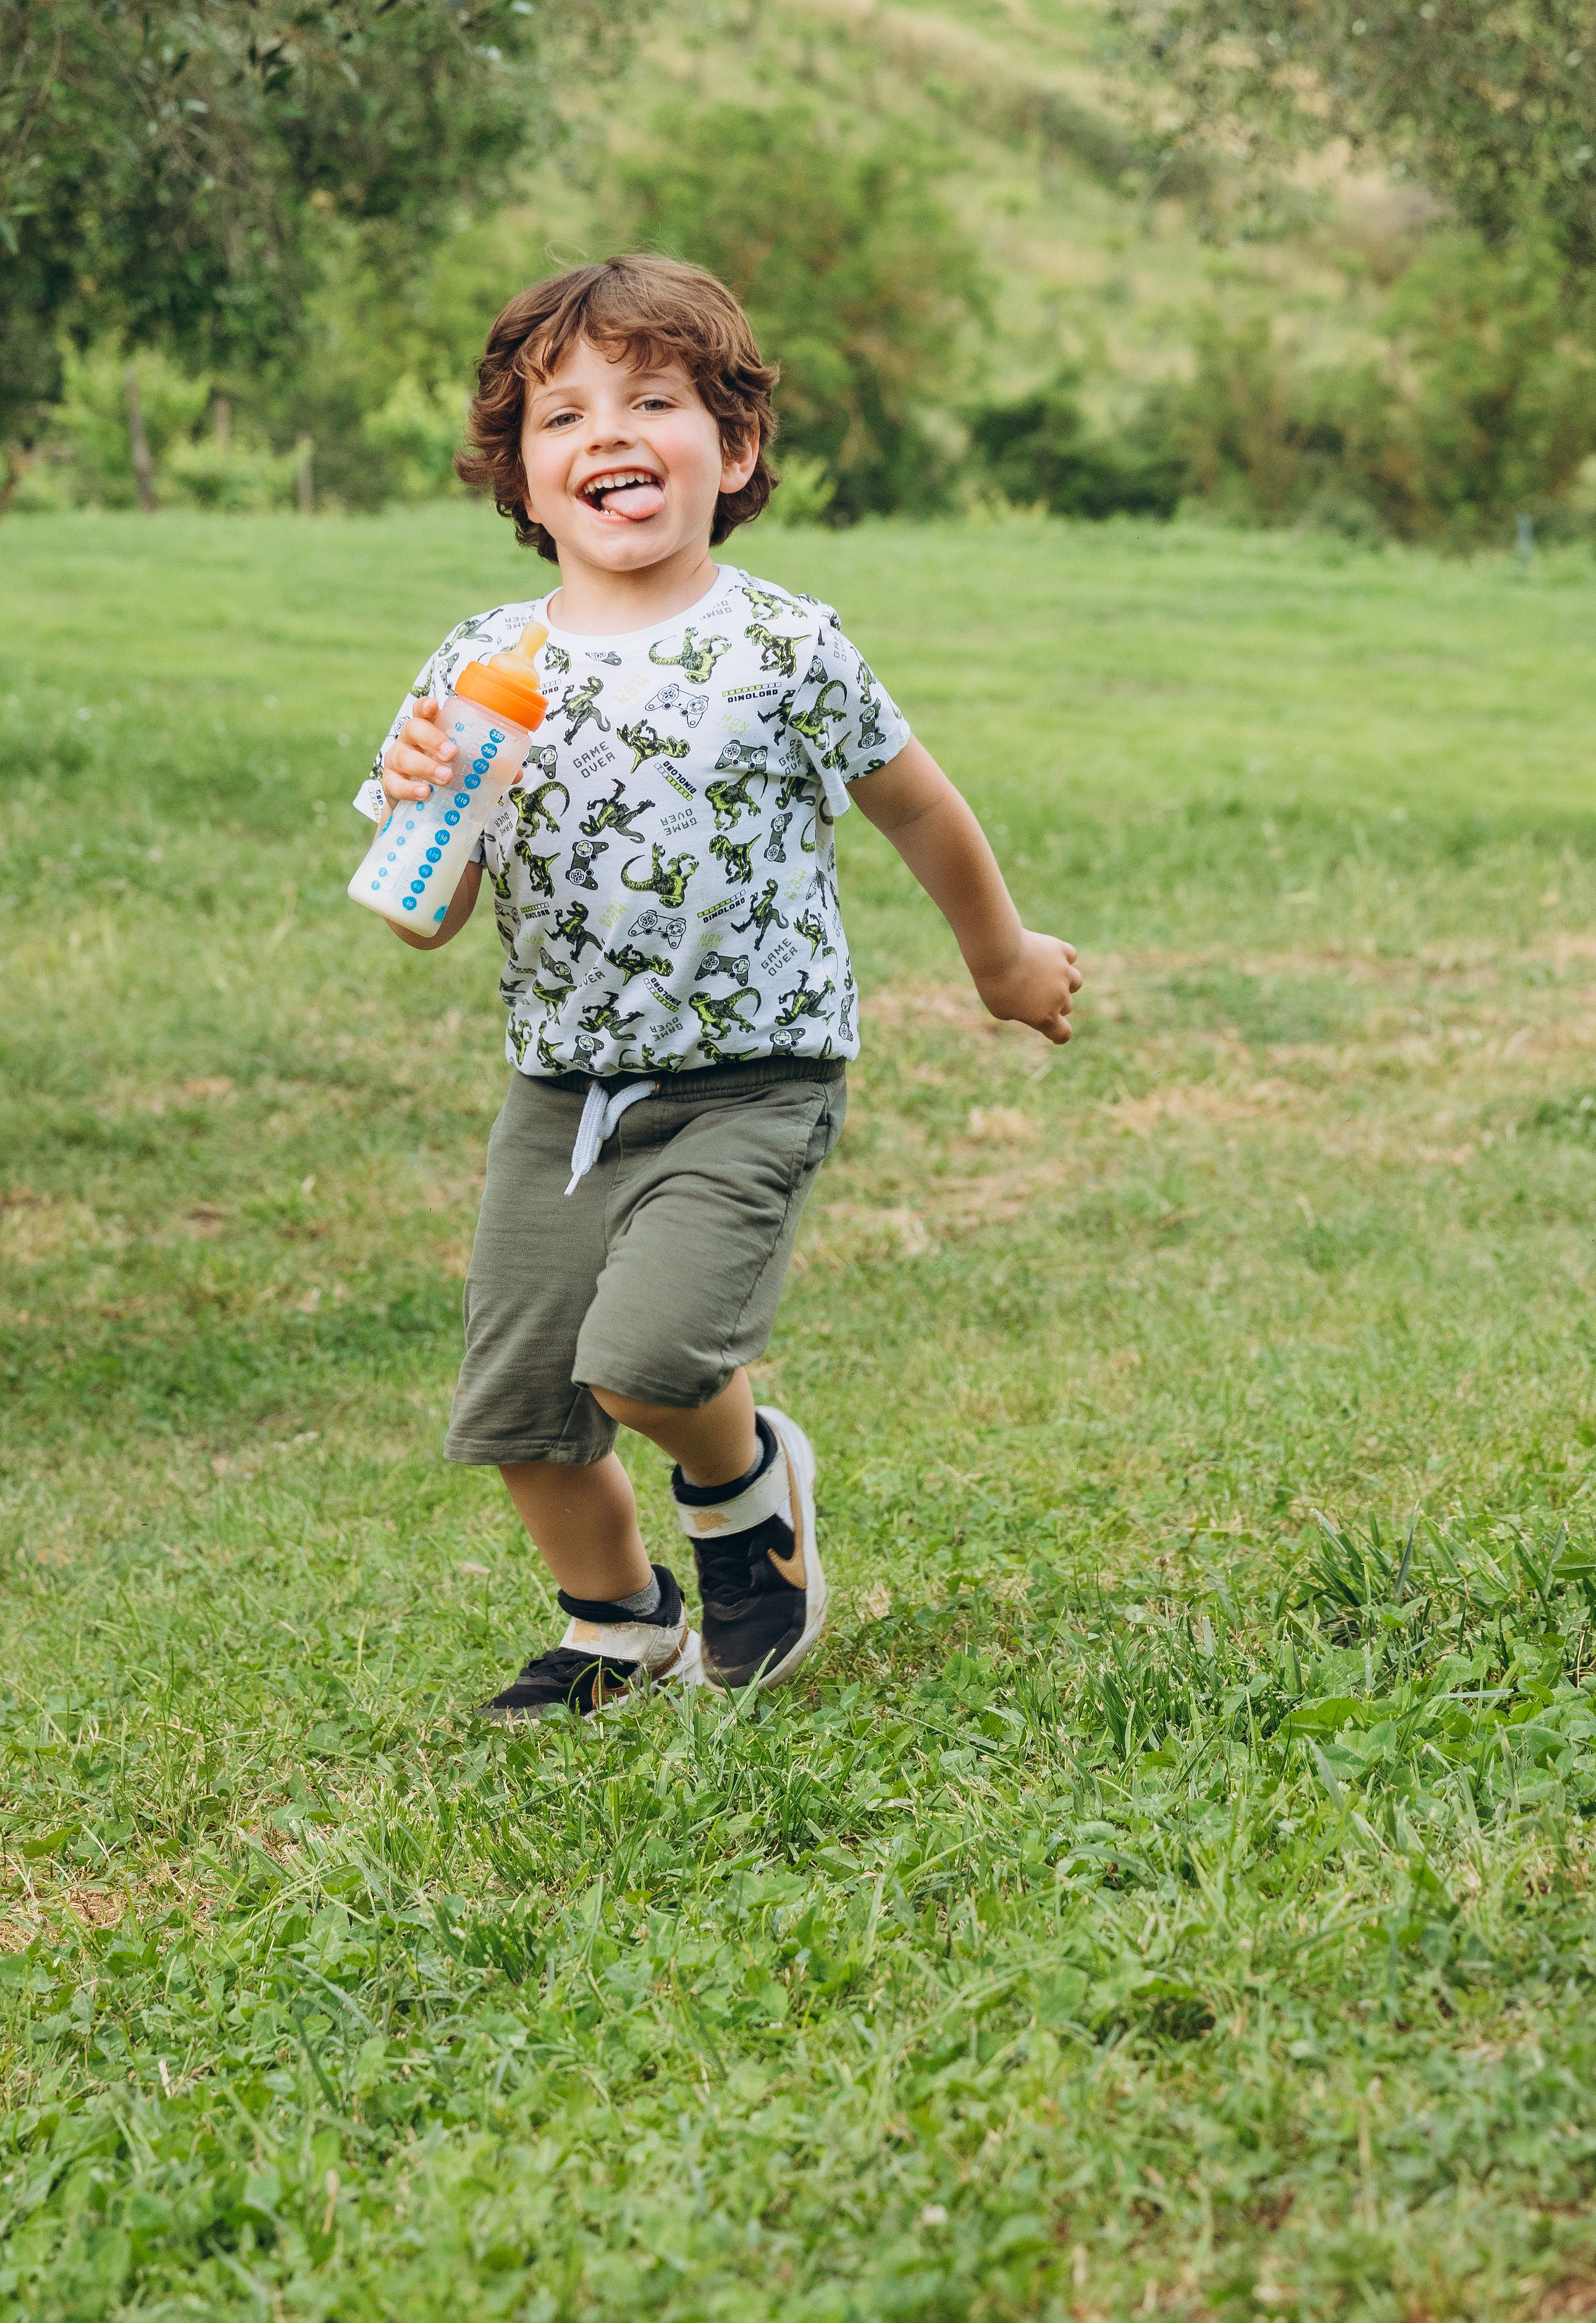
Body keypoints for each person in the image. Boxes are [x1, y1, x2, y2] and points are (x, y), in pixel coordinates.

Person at [356, 256, 1081, 1717]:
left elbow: (919, 809)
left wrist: (999, 960)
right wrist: (415, 795)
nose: (606, 433)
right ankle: (617, 1626)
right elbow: (428, 915)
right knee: (520, 1413)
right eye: (562, 415)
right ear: (524, 479)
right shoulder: (478, 663)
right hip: (561, 1089)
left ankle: (745, 1502)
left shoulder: (781, 647)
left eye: (652, 400)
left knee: (644, 1363)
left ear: (731, 449)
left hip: (753, 1074)